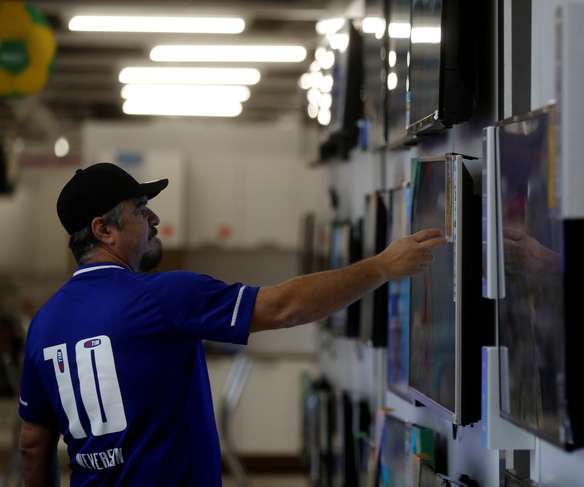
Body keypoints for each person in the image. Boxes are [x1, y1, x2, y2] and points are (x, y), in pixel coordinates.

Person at [17, 163, 445, 486]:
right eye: (141, 209)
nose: (153, 220)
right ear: (103, 230)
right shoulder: (162, 297)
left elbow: (33, 445)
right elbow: (283, 307)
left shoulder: (43, 324)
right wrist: (383, 267)